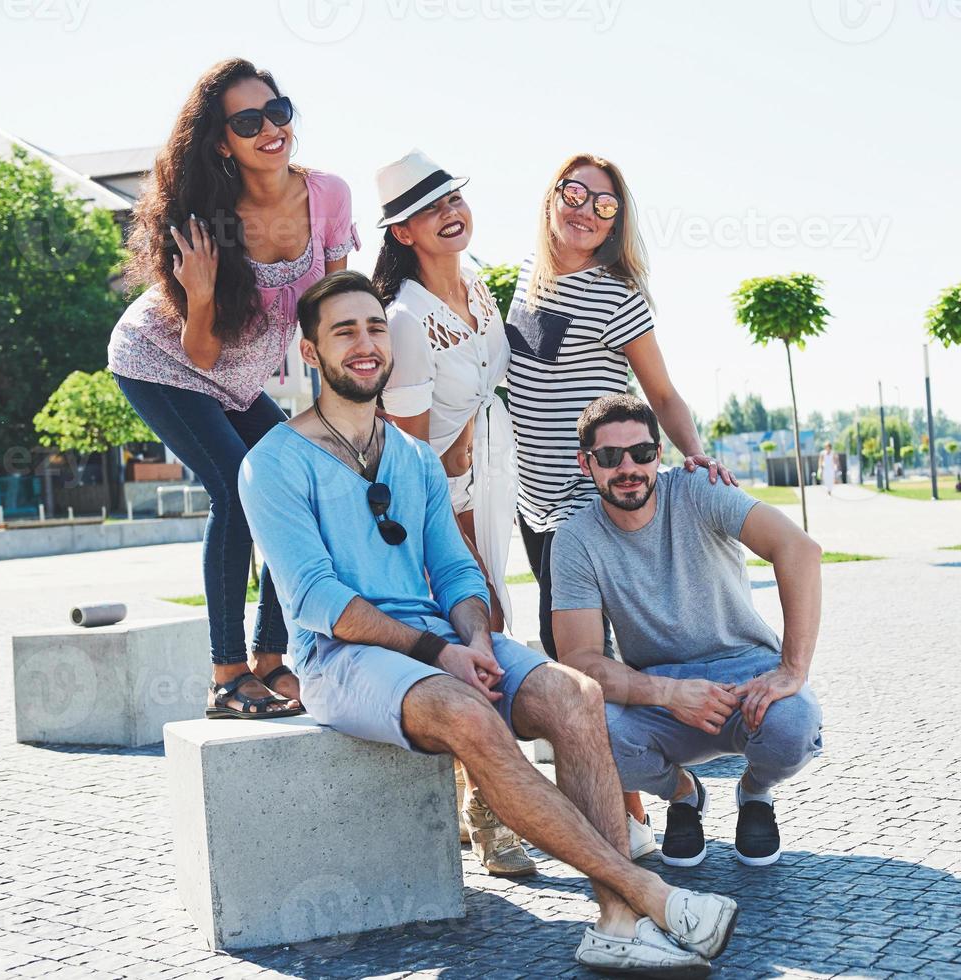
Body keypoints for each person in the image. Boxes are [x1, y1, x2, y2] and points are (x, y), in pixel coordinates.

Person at [239, 272, 738, 976]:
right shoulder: (272, 463)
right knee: (464, 709)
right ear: (310, 353)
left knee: (576, 695)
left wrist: (473, 636)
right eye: (344, 331)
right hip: (342, 658)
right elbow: (319, 599)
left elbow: (456, 572)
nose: (365, 344)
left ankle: (617, 922)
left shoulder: (412, 458)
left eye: (375, 328)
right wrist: (440, 652)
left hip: (441, 643)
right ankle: (647, 893)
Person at [108, 58, 357, 719]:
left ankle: (272, 660)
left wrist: (338, 416)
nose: (270, 129)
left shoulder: (327, 195)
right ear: (223, 140)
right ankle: (226, 675)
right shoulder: (205, 219)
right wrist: (200, 290)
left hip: (240, 383)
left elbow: (330, 310)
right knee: (234, 488)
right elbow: (202, 349)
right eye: (248, 122)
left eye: (278, 112)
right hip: (164, 364)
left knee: (295, 487)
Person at [503, 152, 733, 854]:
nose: (584, 209)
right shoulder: (526, 284)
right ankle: (668, 792)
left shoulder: (616, 294)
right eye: (574, 193)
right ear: (551, 198)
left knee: (583, 660)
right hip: (532, 497)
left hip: (588, 497)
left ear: (615, 222)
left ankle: (625, 818)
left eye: (603, 204)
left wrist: (692, 454)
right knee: (562, 653)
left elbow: (659, 392)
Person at [553, 395, 824, 869]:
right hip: (659, 692)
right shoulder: (575, 539)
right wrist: (668, 692)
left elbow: (799, 549)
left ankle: (755, 794)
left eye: (642, 453)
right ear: (585, 464)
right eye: (610, 458)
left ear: (660, 453)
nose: (628, 468)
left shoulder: (700, 489)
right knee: (587, 731)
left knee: (794, 725)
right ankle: (683, 795)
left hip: (747, 674)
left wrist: (792, 669)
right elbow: (579, 661)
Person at [370, 149, 533, 877]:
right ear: (401, 232)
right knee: (482, 633)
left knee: (493, 630)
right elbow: (408, 456)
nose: (450, 212)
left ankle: (480, 793)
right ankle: (490, 810)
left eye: (454, 198)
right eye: (430, 208)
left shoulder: (475, 284)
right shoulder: (404, 319)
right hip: (443, 495)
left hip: (495, 478)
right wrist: (456, 521)